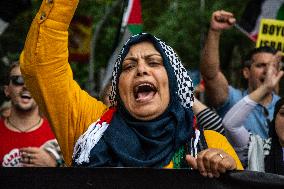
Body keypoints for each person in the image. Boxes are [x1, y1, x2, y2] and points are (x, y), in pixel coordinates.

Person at [20, 0, 242, 177]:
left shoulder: (209, 144)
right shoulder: (89, 127)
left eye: (154, 62)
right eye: (128, 66)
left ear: (173, 83)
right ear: (118, 87)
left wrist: (226, 171)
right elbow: (41, 67)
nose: (141, 70)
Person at [200, 10, 283, 139]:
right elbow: (211, 76)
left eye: (272, 66)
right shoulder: (232, 99)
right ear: (246, 72)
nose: (268, 72)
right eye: (261, 65)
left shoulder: (281, 106)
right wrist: (215, 32)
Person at [222, 60, 283, 173]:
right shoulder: (258, 149)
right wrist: (265, 87)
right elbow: (230, 125)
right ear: (274, 120)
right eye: (283, 114)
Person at [0, 62, 64, 167]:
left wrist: (54, 165)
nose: (26, 86)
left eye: (33, 82)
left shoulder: (59, 136)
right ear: (7, 90)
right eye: (18, 80)